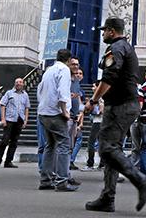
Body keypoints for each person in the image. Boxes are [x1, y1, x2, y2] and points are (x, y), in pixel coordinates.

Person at [83, 18, 146, 213]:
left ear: (112, 31)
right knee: (111, 149)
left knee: (106, 148)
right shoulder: (124, 47)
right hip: (124, 105)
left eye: (104, 30)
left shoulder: (116, 48)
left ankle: (141, 181)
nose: (102, 34)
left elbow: (109, 77)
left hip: (121, 106)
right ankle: (108, 197)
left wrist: (92, 101)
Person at [37, 49, 77, 192]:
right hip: (55, 113)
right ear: (68, 60)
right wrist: (65, 111)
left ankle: (45, 179)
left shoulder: (49, 70)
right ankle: (62, 181)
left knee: (50, 145)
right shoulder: (64, 70)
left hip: (44, 112)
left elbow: (39, 90)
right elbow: (63, 91)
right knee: (64, 146)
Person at [0, 77, 30, 169]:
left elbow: (26, 108)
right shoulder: (9, 93)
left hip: (19, 120)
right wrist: (3, 119)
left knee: (14, 142)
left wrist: (25, 120)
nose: (18, 83)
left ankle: (8, 161)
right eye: (17, 82)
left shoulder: (25, 95)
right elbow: (2, 105)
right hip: (9, 120)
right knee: (4, 141)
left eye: (20, 82)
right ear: (14, 84)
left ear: (23, 84)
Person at [67, 63, 85, 171]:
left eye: (80, 73)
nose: (78, 75)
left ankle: (66, 169)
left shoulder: (78, 87)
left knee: (72, 143)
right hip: (68, 117)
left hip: (74, 118)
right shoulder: (68, 83)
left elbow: (79, 106)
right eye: (77, 73)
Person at [84, 83, 103, 171]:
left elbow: (100, 111)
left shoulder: (100, 97)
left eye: (94, 86)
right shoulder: (96, 97)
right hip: (99, 122)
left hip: (98, 122)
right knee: (101, 143)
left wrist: (92, 109)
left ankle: (90, 163)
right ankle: (102, 164)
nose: (92, 88)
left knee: (91, 142)